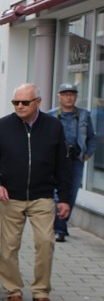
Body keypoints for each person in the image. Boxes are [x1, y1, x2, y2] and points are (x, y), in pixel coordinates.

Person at [0, 84, 71, 301]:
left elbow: (63, 165)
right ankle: (13, 291)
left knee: (45, 242)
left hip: (43, 196)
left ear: (38, 102)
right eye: (16, 102)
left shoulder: (53, 126)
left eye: (25, 102)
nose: (20, 106)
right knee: (9, 246)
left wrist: (64, 198)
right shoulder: (3, 126)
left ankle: (41, 292)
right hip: (11, 195)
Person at [47, 83, 95, 242]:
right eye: (65, 94)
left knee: (71, 194)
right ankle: (59, 228)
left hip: (75, 160)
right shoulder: (51, 115)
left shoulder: (84, 115)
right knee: (56, 194)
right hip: (56, 160)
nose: (69, 97)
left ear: (76, 97)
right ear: (59, 96)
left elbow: (92, 137)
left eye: (72, 94)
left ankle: (61, 225)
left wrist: (88, 152)